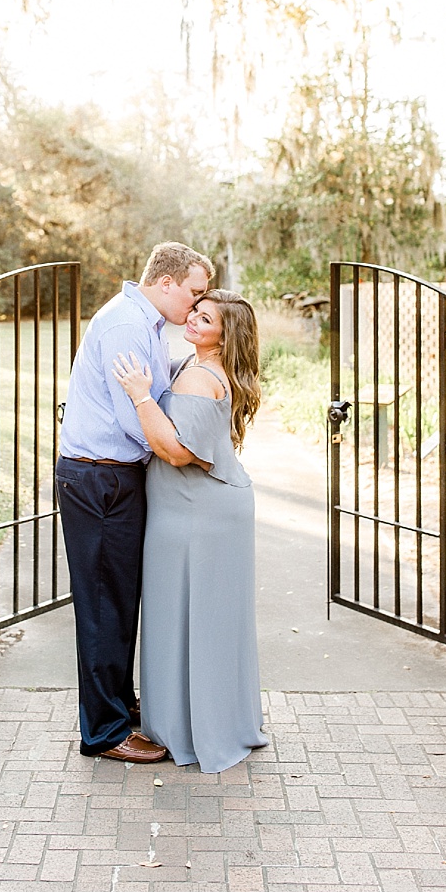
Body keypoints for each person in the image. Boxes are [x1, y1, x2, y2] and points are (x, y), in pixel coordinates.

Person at [54, 241, 212, 763]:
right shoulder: (125, 325)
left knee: (118, 601)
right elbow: (133, 421)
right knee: (104, 607)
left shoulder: (144, 325)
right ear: (165, 282)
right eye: (194, 292)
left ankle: (117, 705)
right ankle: (103, 731)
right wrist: (179, 449)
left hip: (115, 480)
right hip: (100, 482)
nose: (195, 303)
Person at [113, 289, 268, 774]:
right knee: (203, 619)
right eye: (196, 313)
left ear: (226, 337)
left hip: (197, 515)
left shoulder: (201, 377)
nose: (195, 321)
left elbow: (177, 451)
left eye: (207, 319)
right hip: (196, 510)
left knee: (192, 617)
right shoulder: (198, 366)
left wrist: (140, 395)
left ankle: (193, 729)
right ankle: (214, 719)